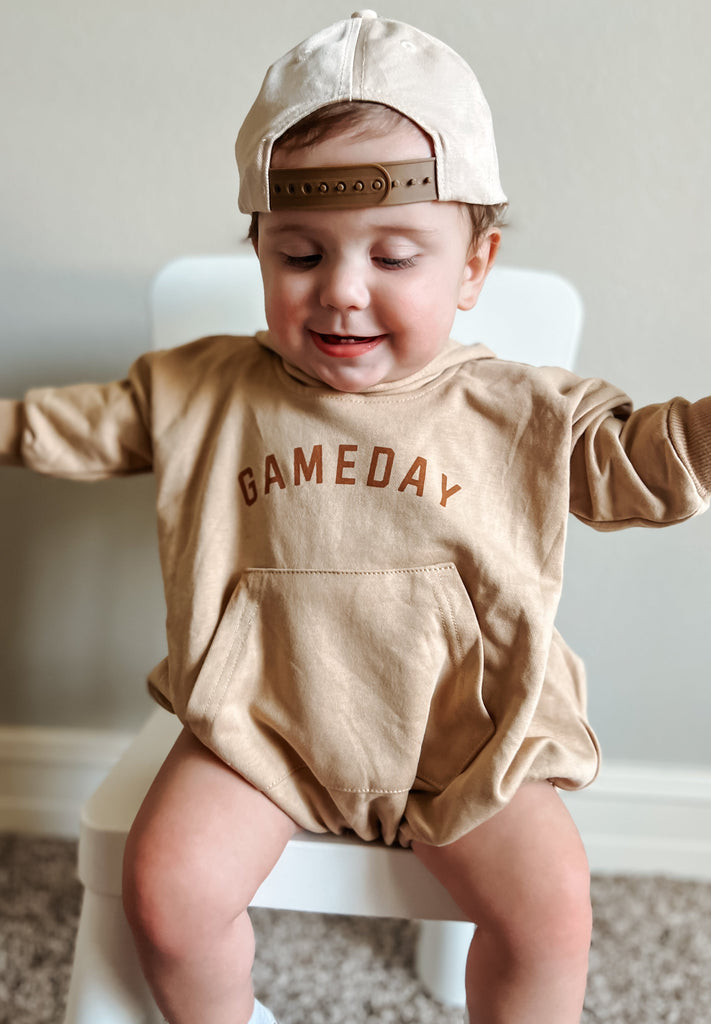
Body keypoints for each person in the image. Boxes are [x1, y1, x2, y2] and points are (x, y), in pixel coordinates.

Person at [1, 10, 710, 1024]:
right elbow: (63, 426)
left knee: (552, 909)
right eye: (299, 255)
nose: (341, 291)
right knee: (166, 892)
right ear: (258, 249)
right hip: (262, 725)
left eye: (395, 257)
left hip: (462, 737)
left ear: (473, 266)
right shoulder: (203, 389)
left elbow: (642, 463)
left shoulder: (519, 411)